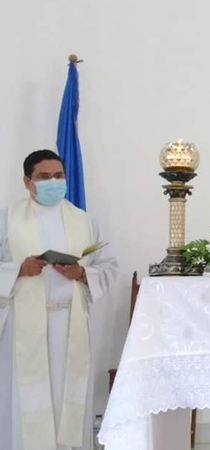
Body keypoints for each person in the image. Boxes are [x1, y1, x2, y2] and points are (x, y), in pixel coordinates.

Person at [0, 150, 118, 450]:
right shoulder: (7, 219)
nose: (53, 181)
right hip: (24, 328)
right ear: (28, 182)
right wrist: (17, 270)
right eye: (44, 177)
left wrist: (81, 272)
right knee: (27, 400)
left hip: (70, 324)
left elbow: (108, 267)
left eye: (59, 176)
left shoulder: (83, 220)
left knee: (69, 397)